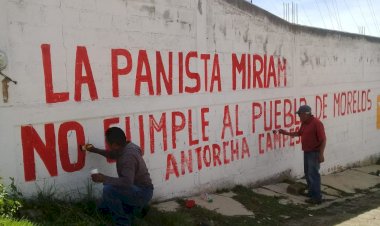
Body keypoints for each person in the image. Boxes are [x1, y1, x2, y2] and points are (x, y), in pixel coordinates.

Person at [83, 127, 154, 226]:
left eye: (107, 142)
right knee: (104, 207)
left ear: (115, 145)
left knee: (109, 190)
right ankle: (137, 209)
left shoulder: (127, 157)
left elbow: (127, 182)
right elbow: (113, 154)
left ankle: (123, 222)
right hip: (141, 189)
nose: (107, 144)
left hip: (141, 192)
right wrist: (94, 150)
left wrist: (104, 178)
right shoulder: (129, 146)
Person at [275, 105, 326, 204]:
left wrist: (321, 154)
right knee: (308, 174)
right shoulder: (304, 123)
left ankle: (317, 197)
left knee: (313, 174)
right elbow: (299, 133)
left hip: (314, 153)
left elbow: (323, 140)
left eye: (300, 114)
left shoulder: (317, 124)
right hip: (307, 152)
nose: (299, 116)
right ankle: (312, 193)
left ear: (306, 114)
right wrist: (285, 133)